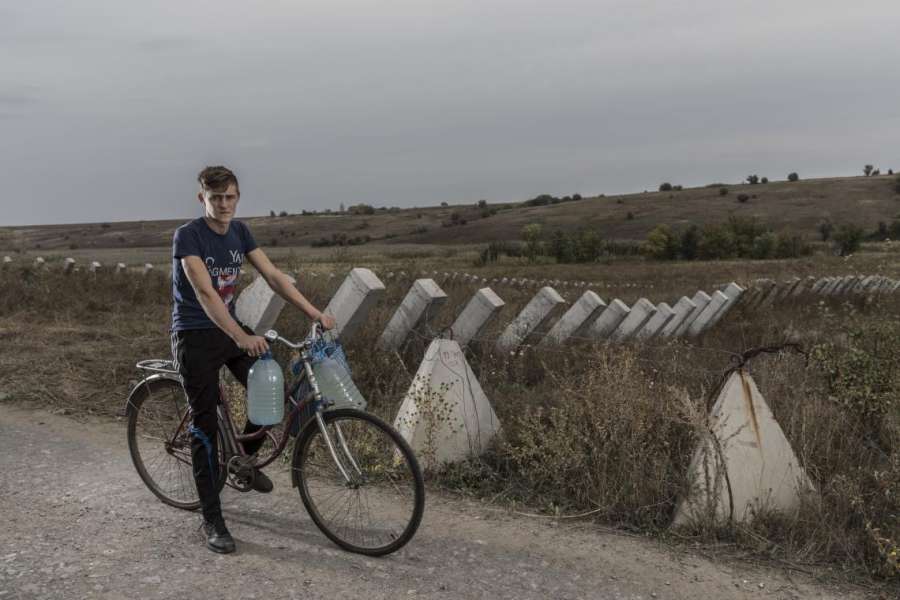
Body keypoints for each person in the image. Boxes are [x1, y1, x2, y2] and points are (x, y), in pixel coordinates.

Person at [170, 165, 335, 554]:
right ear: (202, 199)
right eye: (215, 198)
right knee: (204, 427)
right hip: (194, 335)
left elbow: (274, 276)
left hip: (229, 330)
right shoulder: (188, 236)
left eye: (229, 197)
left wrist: (314, 312)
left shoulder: (240, 232)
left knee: (272, 393)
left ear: (238, 197)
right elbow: (206, 294)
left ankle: (242, 461)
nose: (223, 204)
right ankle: (212, 519)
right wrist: (241, 336)